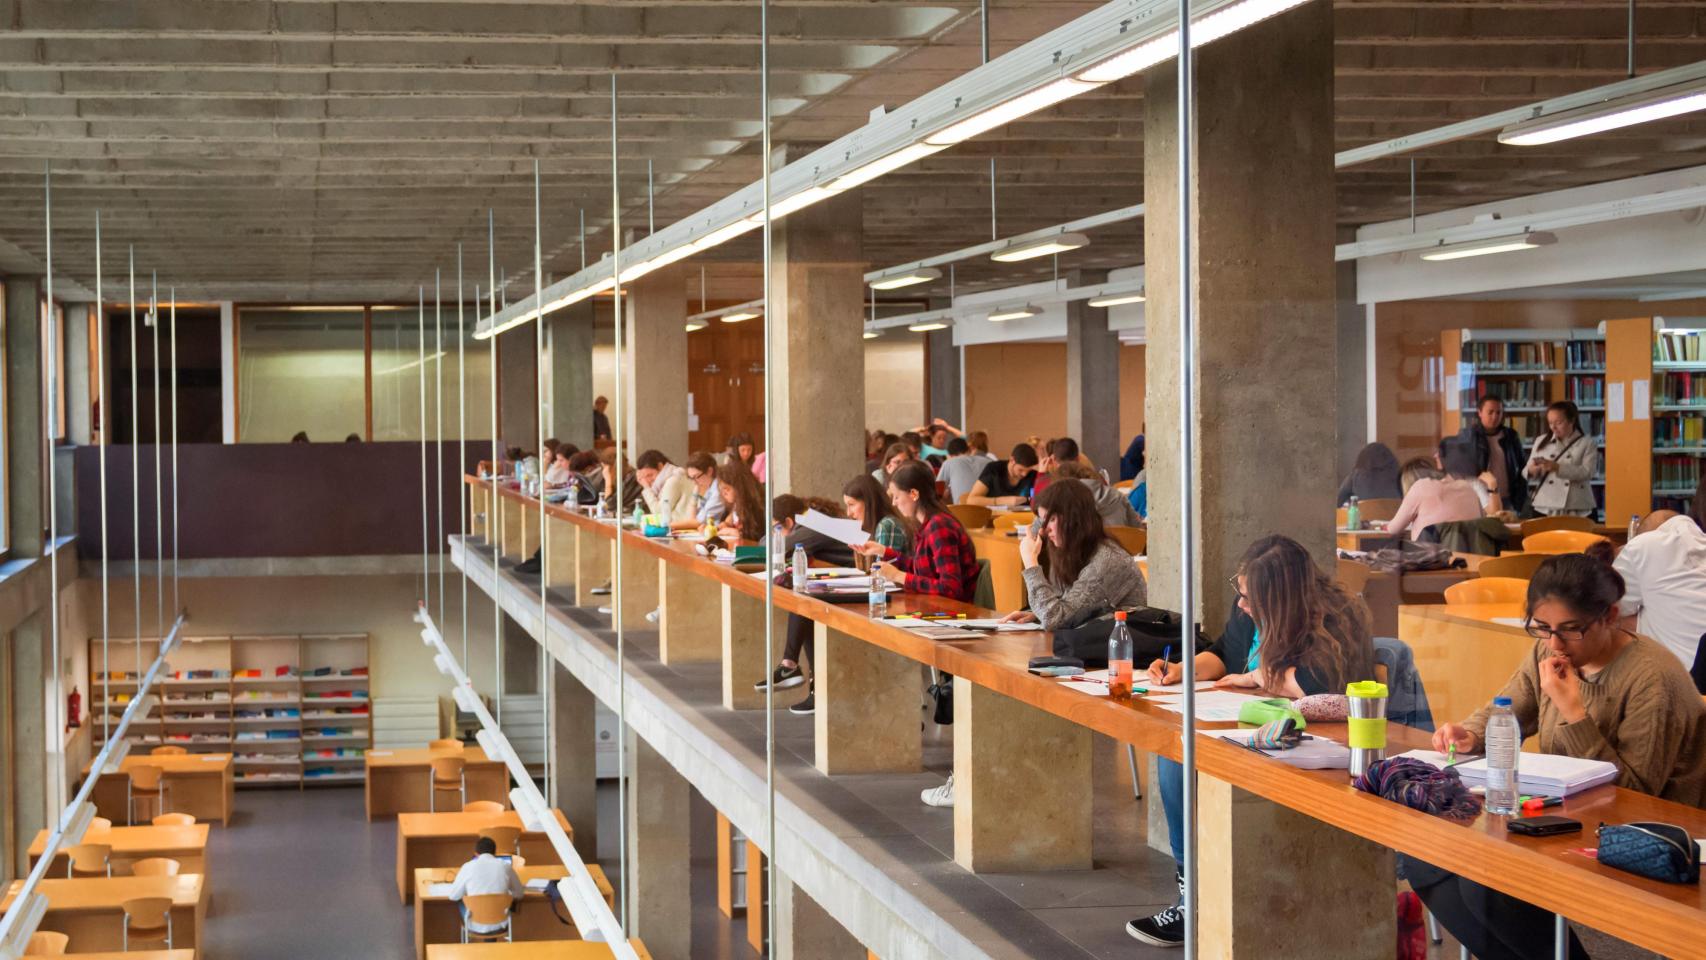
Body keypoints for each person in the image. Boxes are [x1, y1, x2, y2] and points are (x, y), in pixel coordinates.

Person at [1407, 554, 1706, 960]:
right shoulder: (1546, 654)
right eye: (1542, 628)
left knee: (1487, 887)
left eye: (1571, 630)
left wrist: (1574, 712)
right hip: (1563, 818)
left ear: (1610, 616)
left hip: (1647, 839)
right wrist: (1471, 733)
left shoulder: (1652, 678)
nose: (1554, 644)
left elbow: (1635, 796)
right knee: (1426, 861)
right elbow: (1509, 708)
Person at [1129, 535, 1375, 947]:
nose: (1242, 604)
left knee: (1185, 758)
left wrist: (1261, 677)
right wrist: (1182, 671)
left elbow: (1322, 684)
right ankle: (1191, 893)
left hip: (1313, 737)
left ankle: (1213, 900)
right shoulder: (1249, 607)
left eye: (1249, 597)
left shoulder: (1336, 616)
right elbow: (1225, 652)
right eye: (1240, 593)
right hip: (1251, 722)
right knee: (1175, 750)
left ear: (1280, 598)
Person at [755, 483, 910, 715]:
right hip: (860, 585)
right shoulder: (822, 523)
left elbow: (773, 545)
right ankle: (804, 678)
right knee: (806, 600)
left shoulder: (815, 525)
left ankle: (796, 670)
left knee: (805, 598)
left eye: (852, 505)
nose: (849, 513)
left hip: (878, 591)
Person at [1000, 479, 1146, 630]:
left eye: (1051, 519)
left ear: (1073, 519)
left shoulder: (1108, 561)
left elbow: (1057, 620)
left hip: (1123, 650)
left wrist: (1030, 562)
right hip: (1096, 646)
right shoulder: (1078, 552)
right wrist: (1038, 614)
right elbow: (1071, 610)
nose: (1044, 530)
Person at [854, 462, 979, 602]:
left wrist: (898, 576)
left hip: (954, 613)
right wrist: (884, 551)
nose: (894, 503)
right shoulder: (928, 523)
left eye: (896, 496)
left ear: (913, 494)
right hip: (936, 607)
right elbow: (920, 567)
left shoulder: (939, 526)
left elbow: (950, 588)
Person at [1612, 509, 1706, 672]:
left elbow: (1606, 605)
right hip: (1694, 675)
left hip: (1686, 684)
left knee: (1610, 619)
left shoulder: (1642, 545)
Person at [1386, 439, 1490, 541]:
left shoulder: (1421, 487)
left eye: (1439, 454)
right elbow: (1482, 520)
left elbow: (1393, 529)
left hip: (1432, 556)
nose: (1435, 456)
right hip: (1471, 556)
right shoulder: (1469, 488)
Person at [1523, 400, 1597, 517]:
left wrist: (1557, 467)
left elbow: (1588, 472)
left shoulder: (1587, 443)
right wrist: (1532, 470)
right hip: (1545, 504)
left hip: (1577, 504)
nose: (1553, 427)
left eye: (1558, 422)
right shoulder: (1541, 441)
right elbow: (1526, 469)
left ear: (1571, 420)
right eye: (1550, 423)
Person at [1459, 395, 1528, 515]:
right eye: (1490, 412)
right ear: (1480, 413)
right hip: (1480, 498)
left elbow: (1522, 467)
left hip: (1508, 498)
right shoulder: (1468, 436)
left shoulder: (1510, 435)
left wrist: (1519, 498)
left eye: (1498, 412)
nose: (1495, 416)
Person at [448, 836, 524, 936]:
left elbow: (453, 896)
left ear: (476, 853)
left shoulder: (467, 867)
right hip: (501, 923)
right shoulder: (505, 866)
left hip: (474, 923)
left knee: (461, 900)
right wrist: (506, 894)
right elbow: (519, 893)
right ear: (495, 853)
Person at [1051, 460, 1140, 527]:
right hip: (1123, 549)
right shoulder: (1117, 495)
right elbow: (1138, 530)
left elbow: (1039, 532)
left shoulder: (1064, 505)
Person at [964, 443, 1039, 506]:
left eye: (1028, 471)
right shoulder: (994, 469)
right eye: (1021, 470)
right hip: (994, 519)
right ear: (1012, 460)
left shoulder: (1032, 474)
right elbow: (972, 500)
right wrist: (1002, 501)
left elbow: (1038, 500)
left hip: (1023, 520)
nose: (1025, 474)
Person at [635, 450, 697, 524]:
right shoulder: (673, 476)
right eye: (645, 477)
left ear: (660, 466)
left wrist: (646, 488)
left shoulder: (674, 479)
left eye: (650, 475)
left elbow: (659, 512)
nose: (648, 480)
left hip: (681, 527)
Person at [1336, 442, 1403, 505]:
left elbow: (1337, 501)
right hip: (1395, 516)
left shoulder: (1356, 476)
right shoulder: (1401, 476)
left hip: (1364, 516)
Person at [673, 452, 727, 530]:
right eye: (692, 478)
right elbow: (693, 518)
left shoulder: (718, 490)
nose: (695, 482)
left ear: (709, 471)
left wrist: (668, 526)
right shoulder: (710, 488)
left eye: (696, 477)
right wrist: (695, 493)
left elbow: (699, 522)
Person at [715, 462, 766, 542]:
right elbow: (728, 522)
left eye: (727, 489)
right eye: (721, 489)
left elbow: (758, 539)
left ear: (740, 488)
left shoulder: (757, 508)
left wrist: (736, 533)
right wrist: (724, 526)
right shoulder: (735, 505)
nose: (724, 493)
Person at [936, 437, 986, 504]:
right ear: (968, 449)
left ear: (950, 455)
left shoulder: (949, 463)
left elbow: (938, 491)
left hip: (961, 511)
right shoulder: (986, 461)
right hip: (989, 510)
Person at [597, 448, 643, 515]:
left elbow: (609, 505)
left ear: (611, 467)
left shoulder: (631, 478)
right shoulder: (623, 478)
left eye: (604, 468)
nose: (603, 471)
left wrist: (608, 481)